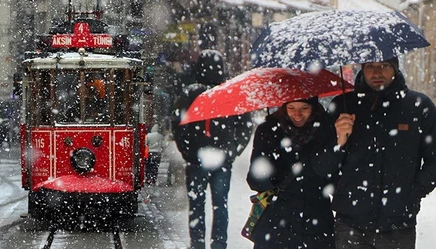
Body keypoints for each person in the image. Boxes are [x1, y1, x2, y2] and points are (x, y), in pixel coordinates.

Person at [312, 57, 436, 249]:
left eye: (384, 66)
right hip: (350, 223)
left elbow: (434, 160)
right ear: (362, 68)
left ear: (395, 68)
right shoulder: (343, 106)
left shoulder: (419, 106)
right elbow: (321, 167)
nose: (377, 73)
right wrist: (339, 141)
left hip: (398, 225)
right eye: (370, 66)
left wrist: (413, 192)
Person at [171, 50, 252, 249]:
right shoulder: (230, 93)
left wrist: (188, 151)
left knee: (197, 205)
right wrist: (233, 150)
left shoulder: (190, 93)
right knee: (220, 204)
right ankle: (219, 244)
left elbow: (177, 124)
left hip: (198, 158)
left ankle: (198, 243)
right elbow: (245, 126)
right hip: (222, 158)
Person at [247, 97, 335, 249]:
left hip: (317, 223)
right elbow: (255, 181)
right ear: (284, 108)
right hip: (276, 222)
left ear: (314, 108)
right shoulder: (268, 131)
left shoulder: (327, 131)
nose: (297, 114)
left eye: (304, 108)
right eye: (292, 108)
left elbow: (332, 176)